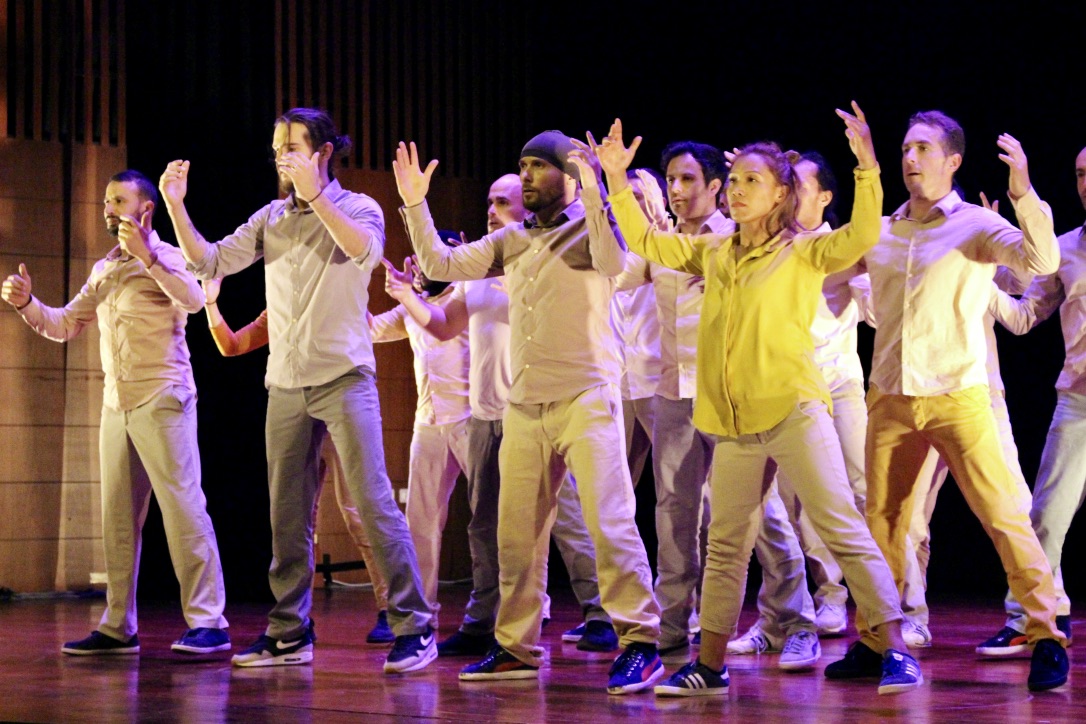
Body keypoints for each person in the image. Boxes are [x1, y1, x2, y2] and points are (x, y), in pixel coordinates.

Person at [593, 106, 922, 698]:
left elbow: (863, 235)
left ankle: (894, 648)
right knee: (725, 545)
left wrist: (867, 167)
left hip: (794, 411)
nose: (738, 190)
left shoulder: (803, 251)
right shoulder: (714, 252)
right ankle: (710, 665)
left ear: (781, 195)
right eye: (735, 179)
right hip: (734, 423)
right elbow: (645, 240)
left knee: (842, 528)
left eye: (752, 180)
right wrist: (616, 178)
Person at [158, 107, 435, 673]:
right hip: (285, 384)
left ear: (324, 152)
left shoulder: (359, 206)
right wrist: (175, 206)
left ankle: (415, 625)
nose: (281, 156)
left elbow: (365, 252)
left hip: (345, 377)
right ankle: (289, 631)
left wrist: (316, 197)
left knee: (374, 502)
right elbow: (209, 260)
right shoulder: (271, 217)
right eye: (277, 147)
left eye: (292, 146)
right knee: (287, 516)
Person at [395, 132, 663, 694]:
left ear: (568, 177)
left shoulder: (594, 228)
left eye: (540, 165)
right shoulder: (510, 239)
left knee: (610, 524)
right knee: (516, 536)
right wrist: (415, 203)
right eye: (523, 165)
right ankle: (515, 645)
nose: (527, 175)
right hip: (524, 404)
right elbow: (439, 262)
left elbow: (613, 260)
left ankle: (641, 640)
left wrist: (596, 186)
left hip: (587, 397)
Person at [857, 110, 1068, 691]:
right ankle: (875, 639)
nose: (910, 158)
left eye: (924, 149)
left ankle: (1045, 633)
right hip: (892, 396)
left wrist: (1022, 194)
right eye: (906, 148)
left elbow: (1041, 263)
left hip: (958, 394)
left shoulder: (976, 225)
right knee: (883, 523)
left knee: (1003, 516)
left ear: (952, 161)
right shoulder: (880, 230)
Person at [382, 175, 618, 658]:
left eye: (503, 202)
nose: (492, 210)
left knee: (567, 521)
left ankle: (600, 612)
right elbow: (443, 326)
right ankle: (482, 620)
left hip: (536, 410)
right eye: (489, 201)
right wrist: (408, 298)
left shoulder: (540, 260)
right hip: (485, 414)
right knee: (485, 526)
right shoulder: (478, 274)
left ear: (527, 208)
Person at [2, 170, 229, 656]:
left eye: (118, 200)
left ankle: (209, 621)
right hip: (116, 404)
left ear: (145, 209)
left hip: (164, 397)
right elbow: (66, 324)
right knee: (118, 521)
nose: (108, 208)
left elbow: (193, 299)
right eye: (106, 201)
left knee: (184, 510)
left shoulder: (168, 255)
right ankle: (117, 626)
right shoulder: (104, 268)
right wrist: (27, 304)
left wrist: (148, 257)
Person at [200, 277, 395, 644]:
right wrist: (210, 304)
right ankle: (298, 619)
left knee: (358, 512)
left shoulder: (332, 293)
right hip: (297, 412)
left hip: (337, 408)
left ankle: (391, 608)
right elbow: (232, 345)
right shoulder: (279, 309)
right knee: (297, 518)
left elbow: (366, 326)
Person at [615, 143, 733, 661]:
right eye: (671, 180)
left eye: (688, 179)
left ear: (715, 186)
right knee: (673, 513)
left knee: (751, 514)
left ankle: (791, 617)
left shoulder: (737, 238)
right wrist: (601, 198)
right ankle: (673, 624)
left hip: (727, 394)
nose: (677, 190)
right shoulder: (659, 247)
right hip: (672, 394)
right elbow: (612, 275)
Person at [979, 144, 1086, 657]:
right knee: (1044, 517)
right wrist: (981, 282)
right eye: (1080, 173)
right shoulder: (1063, 250)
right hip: (1079, 403)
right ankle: (1029, 617)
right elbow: (1023, 317)